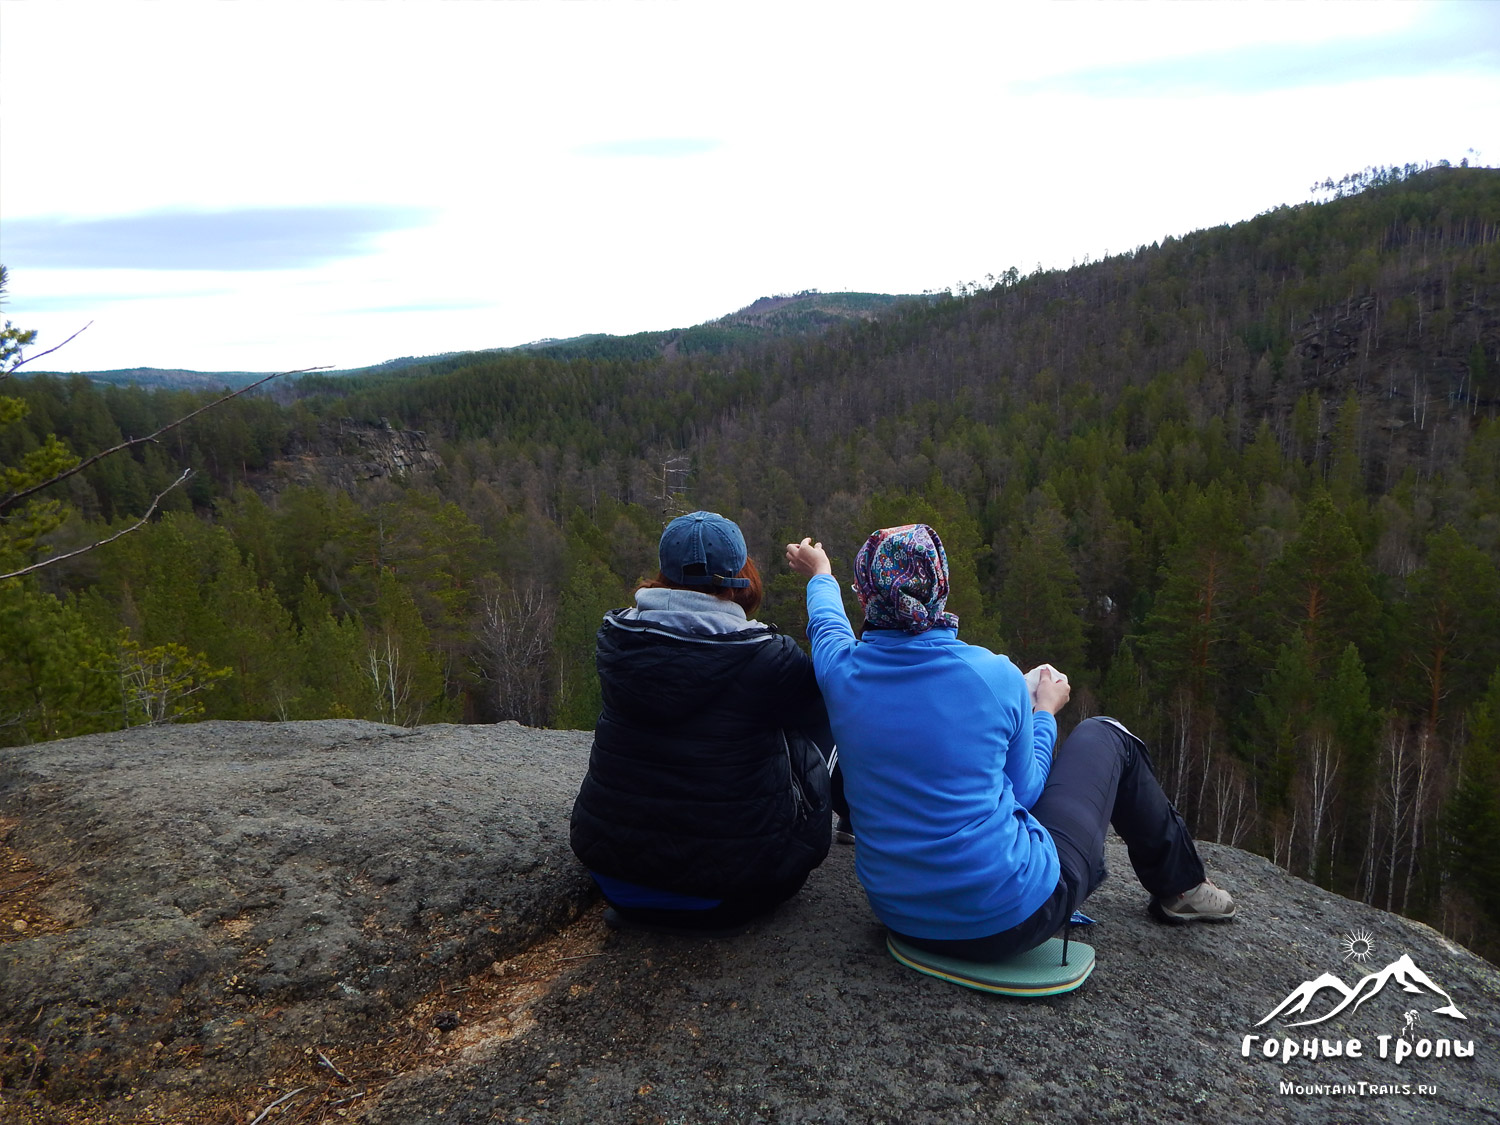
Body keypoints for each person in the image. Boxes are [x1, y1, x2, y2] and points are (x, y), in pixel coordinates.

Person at [784, 523, 1234, 963]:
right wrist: (1044, 713)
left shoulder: (841, 672)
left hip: (900, 915)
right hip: (1015, 918)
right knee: (1108, 734)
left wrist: (820, 572)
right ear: (940, 586)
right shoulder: (994, 675)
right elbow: (1027, 792)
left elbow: (827, 624)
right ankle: (1183, 888)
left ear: (865, 595)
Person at [569, 511, 834, 932]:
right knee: (821, 718)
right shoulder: (767, 656)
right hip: (734, 892)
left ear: (664, 571)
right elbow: (836, 699)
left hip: (616, 879)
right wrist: (822, 579)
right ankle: (858, 829)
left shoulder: (617, 636)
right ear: (740, 573)